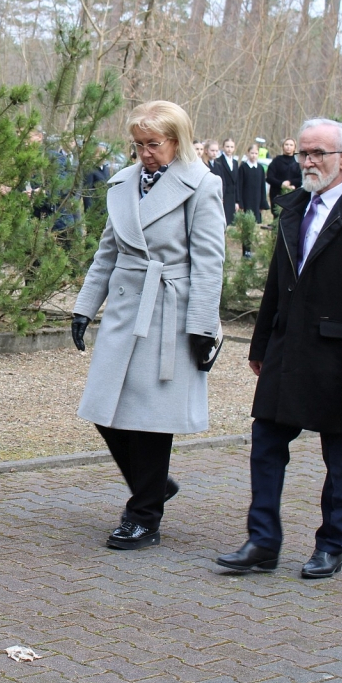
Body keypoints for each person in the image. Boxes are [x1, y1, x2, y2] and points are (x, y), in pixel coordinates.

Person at [216, 118, 342, 579]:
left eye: (319, 153)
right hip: (286, 350)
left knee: (339, 457)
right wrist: (259, 344)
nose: (309, 161)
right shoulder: (292, 207)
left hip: (339, 359)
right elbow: (278, 283)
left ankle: (331, 546)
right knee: (266, 444)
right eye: (304, 153)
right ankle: (262, 543)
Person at [70, 100, 225, 550]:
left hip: (170, 312)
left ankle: (144, 516)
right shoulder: (122, 183)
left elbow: (210, 262)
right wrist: (85, 306)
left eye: (154, 144)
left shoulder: (201, 185)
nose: (145, 153)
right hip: (124, 305)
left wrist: (201, 325)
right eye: (138, 144)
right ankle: (154, 486)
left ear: (178, 140)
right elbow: (107, 252)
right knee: (104, 409)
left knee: (151, 418)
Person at [236, 143, 269, 256]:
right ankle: (246, 250)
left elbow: (262, 187)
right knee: (246, 227)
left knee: (253, 227)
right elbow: (239, 186)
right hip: (246, 201)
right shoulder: (243, 167)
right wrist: (240, 203)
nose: (254, 155)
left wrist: (262, 204)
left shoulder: (260, 168)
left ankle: (251, 249)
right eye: (252, 153)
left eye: (256, 153)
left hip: (256, 201)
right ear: (248, 153)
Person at [265, 137, 302, 207]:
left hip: (293, 195)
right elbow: (269, 177)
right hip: (277, 195)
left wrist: (290, 182)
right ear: (282, 146)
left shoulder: (298, 162)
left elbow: (302, 178)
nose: (288, 147)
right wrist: (281, 184)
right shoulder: (276, 161)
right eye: (286, 144)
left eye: (291, 145)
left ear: (294, 148)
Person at [212, 138, 239, 225]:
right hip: (223, 194)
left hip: (232, 196)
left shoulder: (235, 162)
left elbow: (236, 182)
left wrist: (237, 201)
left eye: (231, 147)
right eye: (227, 146)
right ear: (223, 147)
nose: (229, 149)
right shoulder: (218, 161)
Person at [82, 141, 112, 212]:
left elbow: (109, 188)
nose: (102, 157)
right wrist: (89, 213)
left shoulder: (106, 169)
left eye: (104, 155)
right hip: (95, 210)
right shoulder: (90, 170)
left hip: (106, 209)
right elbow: (87, 193)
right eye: (100, 154)